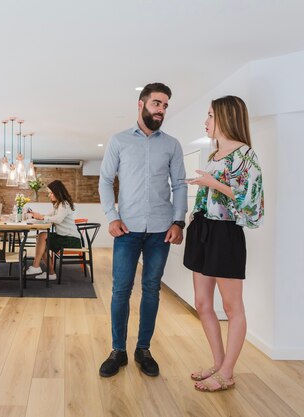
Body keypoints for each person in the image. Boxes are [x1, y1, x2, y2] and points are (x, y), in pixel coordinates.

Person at [98, 82, 188, 378]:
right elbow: (105, 180)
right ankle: (118, 351)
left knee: (151, 289)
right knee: (121, 289)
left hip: (161, 230)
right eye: (156, 104)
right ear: (141, 104)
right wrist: (111, 216)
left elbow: (179, 185)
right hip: (127, 229)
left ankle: (143, 349)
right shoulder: (119, 141)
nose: (161, 110)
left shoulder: (172, 145)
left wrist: (178, 221)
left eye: (164, 106)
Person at [183, 95, 264, 392]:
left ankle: (228, 372)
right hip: (203, 229)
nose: (206, 121)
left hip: (226, 233)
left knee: (232, 307)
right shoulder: (213, 154)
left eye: (210, 116)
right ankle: (218, 364)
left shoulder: (246, 155)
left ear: (226, 118)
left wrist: (213, 184)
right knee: (202, 303)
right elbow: (213, 194)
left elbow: (251, 202)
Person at [26, 180, 81, 280]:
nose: (49, 195)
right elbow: (50, 216)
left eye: (51, 193)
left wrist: (42, 218)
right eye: (49, 193)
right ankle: (49, 273)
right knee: (42, 239)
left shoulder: (64, 204)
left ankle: (36, 267)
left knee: (42, 237)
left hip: (71, 239)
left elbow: (58, 219)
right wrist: (38, 215)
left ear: (58, 192)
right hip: (63, 236)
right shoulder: (58, 205)